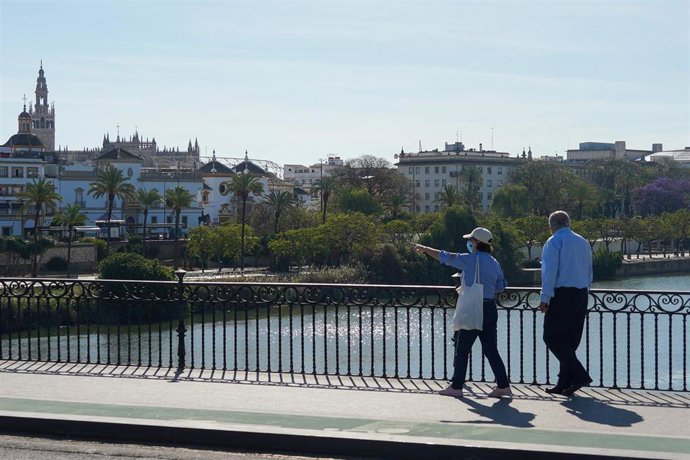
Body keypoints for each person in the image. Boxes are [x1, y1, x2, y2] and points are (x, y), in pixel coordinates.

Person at [414, 227, 511, 398]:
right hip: (490, 308)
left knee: (462, 348)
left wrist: (425, 248)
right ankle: (503, 385)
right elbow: (500, 286)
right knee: (491, 349)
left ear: (476, 243)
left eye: (471, 241)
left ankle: (456, 386)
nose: (469, 243)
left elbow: (445, 256)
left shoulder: (470, 260)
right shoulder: (494, 262)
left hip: (474, 308)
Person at [539, 210, 593, 397]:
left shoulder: (553, 242)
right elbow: (589, 269)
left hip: (562, 294)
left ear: (551, 225)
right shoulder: (583, 241)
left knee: (551, 337)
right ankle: (563, 383)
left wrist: (545, 298)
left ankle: (580, 376)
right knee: (569, 341)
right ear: (568, 223)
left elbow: (549, 272)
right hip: (581, 293)